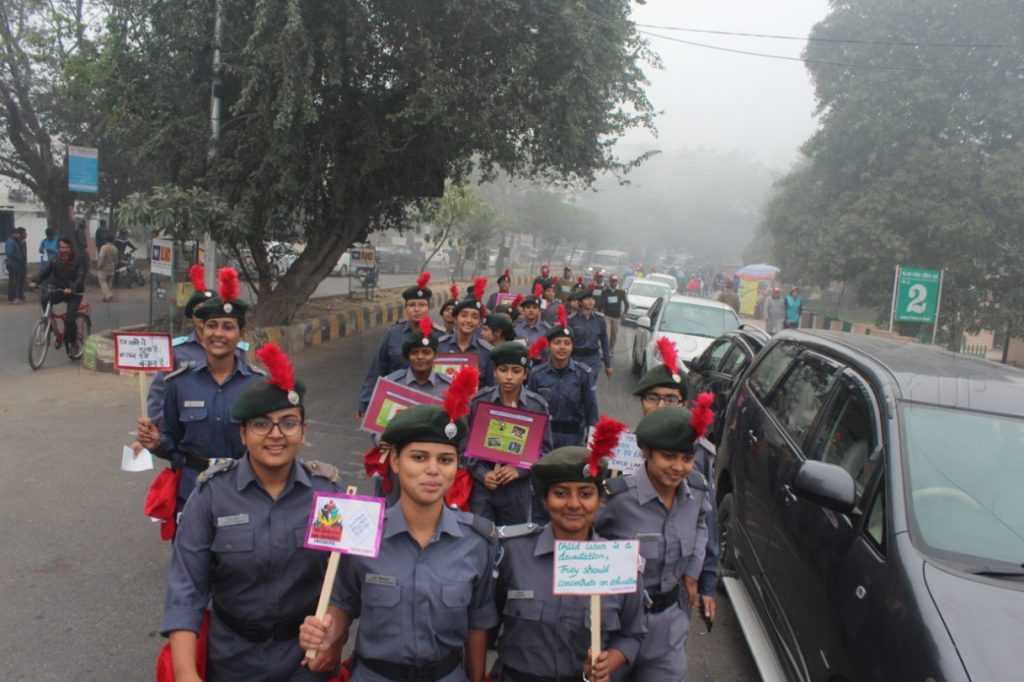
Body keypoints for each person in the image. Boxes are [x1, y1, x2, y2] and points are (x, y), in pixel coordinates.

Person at [160, 343, 344, 682]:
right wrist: (186, 674)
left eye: (288, 423)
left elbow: (347, 582)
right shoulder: (211, 496)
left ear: (303, 432)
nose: (276, 435)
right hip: (231, 658)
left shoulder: (329, 495)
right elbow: (186, 589)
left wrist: (336, 635)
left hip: (305, 661)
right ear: (243, 434)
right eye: (261, 424)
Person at [299, 399, 500, 682]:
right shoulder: (361, 532)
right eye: (419, 457)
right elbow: (343, 602)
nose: (433, 470)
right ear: (395, 461)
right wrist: (328, 632)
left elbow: (478, 622)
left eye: (445, 459)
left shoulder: (477, 542)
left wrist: (476, 678)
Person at [491, 436, 646, 682]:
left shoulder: (619, 562)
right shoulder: (514, 552)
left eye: (585, 494)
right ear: (545, 500)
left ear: (599, 500)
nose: (574, 504)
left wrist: (608, 663)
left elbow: (632, 633)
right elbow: (485, 621)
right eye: (561, 493)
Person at [595, 405, 714, 682]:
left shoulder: (696, 491)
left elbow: (701, 522)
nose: (678, 467)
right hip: (616, 625)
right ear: (646, 452)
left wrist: (693, 570)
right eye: (668, 456)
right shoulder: (616, 497)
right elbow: (582, 538)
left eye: (687, 458)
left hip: (669, 623)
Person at [137, 268, 264, 512]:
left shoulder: (258, 386)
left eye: (228, 327)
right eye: (212, 326)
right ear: (202, 332)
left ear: (240, 335)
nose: (218, 333)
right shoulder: (179, 384)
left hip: (243, 488)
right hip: (192, 489)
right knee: (189, 550)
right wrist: (155, 442)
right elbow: (171, 441)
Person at [632, 338, 720, 631]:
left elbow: (706, 521)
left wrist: (704, 579)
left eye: (671, 399)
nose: (660, 406)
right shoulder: (613, 448)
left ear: (684, 404)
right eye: (652, 398)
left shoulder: (699, 455)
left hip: (673, 583)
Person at [365, 317, 453, 505]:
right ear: (408, 356)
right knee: (393, 511)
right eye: (415, 353)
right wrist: (383, 440)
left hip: (433, 466)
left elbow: (456, 430)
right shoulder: (390, 385)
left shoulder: (449, 389)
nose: (420, 357)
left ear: (435, 355)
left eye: (426, 352)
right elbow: (375, 426)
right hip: (397, 463)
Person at [466, 342, 552, 525]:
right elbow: (465, 448)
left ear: (525, 374)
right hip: (483, 489)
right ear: (495, 372)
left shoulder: (536, 407)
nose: (509, 377)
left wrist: (519, 470)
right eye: (503, 370)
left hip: (517, 490)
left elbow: (544, 452)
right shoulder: (480, 403)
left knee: (514, 542)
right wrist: (482, 474)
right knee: (481, 538)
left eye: (516, 371)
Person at [356, 272, 434, 418]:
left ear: (429, 307)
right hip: (396, 398)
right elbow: (377, 368)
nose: (417, 309)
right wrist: (365, 401)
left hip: (428, 401)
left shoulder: (440, 336)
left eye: (422, 305)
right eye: (412, 305)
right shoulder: (392, 334)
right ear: (405, 308)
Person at [526, 306, 598, 448]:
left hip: (573, 441)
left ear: (572, 346)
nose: (562, 347)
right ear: (549, 346)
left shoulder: (583, 374)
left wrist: (593, 448)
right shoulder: (536, 375)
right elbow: (529, 410)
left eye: (567, 343)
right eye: (557, 342)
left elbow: (592, 412)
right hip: (543, 438)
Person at [28, 237, 86, 345]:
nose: (64, 250)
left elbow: (80, 276)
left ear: (71, 248)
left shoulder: (78, 260)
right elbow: (44, 271)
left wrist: (73, 288)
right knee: (44, 299)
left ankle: (73, 343)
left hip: (74, 293)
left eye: (66, 247)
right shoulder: (54, 259)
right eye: (62, 247)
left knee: (69, 319)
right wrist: (36, 282)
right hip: (59, 290)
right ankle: (48, 324)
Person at [437, 277, 494, 386]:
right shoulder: (439, 346)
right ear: (455, 319)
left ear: (479, 323)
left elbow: (489, 388)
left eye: (474, 317)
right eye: (463, 315)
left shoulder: (488, 352)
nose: (468, 320)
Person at [568, 288, 612, 382]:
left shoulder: (599, 320)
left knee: (590, 389)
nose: (590, 301)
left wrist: (608, 365)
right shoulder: (572, 320)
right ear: (580, 302)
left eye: (592, 299)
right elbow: (568, 342)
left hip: (593, 360)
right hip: (576, 359)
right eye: (587, 299)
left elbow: (604, 342)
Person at [597, 274, 628, 356]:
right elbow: (600, 303)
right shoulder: (605, 291)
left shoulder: (621, 292)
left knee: (614, 334)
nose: (614, 283)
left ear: (617, 282)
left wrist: (624, 313)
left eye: (615, 281)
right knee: (605, 332)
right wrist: (599, 312)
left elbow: (626, 303)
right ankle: (604, 349)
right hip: (606, 315)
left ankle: (611, 349)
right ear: (610, 281)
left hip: (616, 316)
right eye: (612, 281)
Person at [5, 226, 27, 304]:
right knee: (14, 282)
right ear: (13, 234)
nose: (19, 235)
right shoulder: (11, 242)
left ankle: (14, 297)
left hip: (15, 264)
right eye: (17, 234)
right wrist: (20, 258)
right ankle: (14, 298)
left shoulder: (14, 241)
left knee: (15, 281)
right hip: (13, 264)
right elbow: (10, 253)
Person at [96, 237, 119, 302]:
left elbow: (101, 257)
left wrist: (98, 266)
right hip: (112, 267)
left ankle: (108, 295)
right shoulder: (115, 248)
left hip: (104, 267)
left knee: (102, 281)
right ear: (113, 240)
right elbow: (116, 260)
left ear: (106, 240)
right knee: (109, 283)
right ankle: (106, 297)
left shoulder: (104, 247)